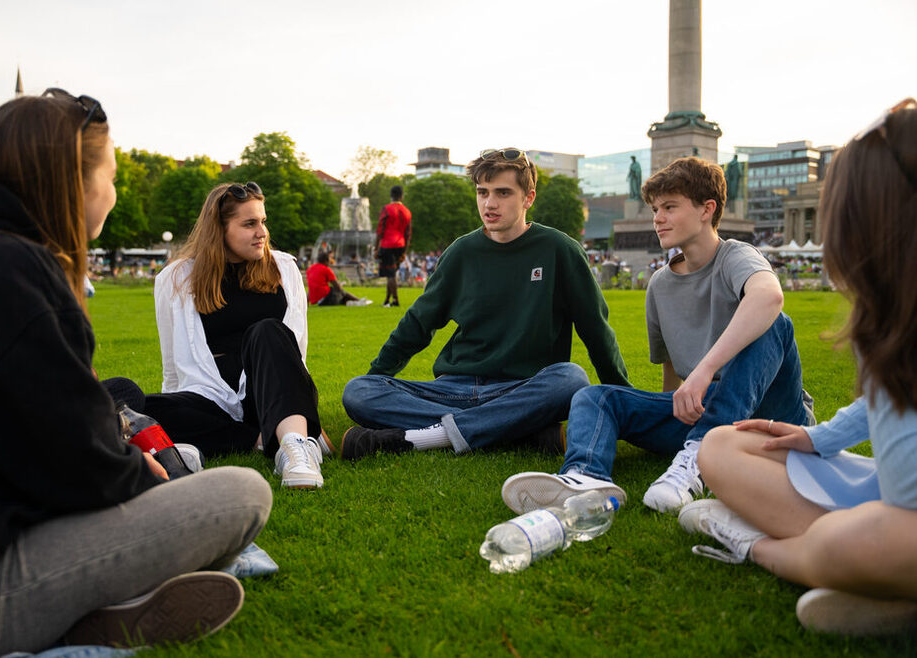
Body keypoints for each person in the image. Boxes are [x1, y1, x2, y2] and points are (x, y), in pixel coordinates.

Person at [0, 90, 270, 655]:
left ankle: (99, 611)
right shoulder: (7, 269)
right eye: (110, 177)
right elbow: (74, 461)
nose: (113, 193)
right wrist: (136, 474)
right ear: (74, 183)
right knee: (243, 495)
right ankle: (68, 624)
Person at [676, 99, 917, 636]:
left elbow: (767, 301)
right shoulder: (891, 311)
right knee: (722, 444)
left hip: (899, 527)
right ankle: (877, 578)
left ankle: (761, 546)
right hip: (886, 501)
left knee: (857, 541)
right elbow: (891, 396)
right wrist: (818, 439)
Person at [500, 156, 813, 515]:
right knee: (595, 397)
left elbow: (769, 296)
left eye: (670, 207)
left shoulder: (735, 257)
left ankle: (698, 457)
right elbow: (671, 378)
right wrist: (674, 411)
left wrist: (704, 370)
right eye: (654, 209)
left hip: (773, 416)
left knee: (775, 321)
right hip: (708, 409)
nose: (658, 218)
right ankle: (585, 480)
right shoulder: (660, 285)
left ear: (706, 210)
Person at [340, 148, 630, 460]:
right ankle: (518, 431)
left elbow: (596, 330)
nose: (490, 203)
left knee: (571, 379)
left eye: (503, 193)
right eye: (483, 192)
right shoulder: (461, 252)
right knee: (359, 392)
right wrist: (377, 377)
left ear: (528, 198)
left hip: (523, 388)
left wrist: (625, 401)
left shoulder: (560, 250)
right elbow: (418, 323)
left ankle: (426, 437)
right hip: (453, 389)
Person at [147, 182, 329, 489]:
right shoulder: (176, 279)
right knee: (139, 408)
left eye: (263, 221)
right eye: (249, 224)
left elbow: (297, 351)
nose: (262, 232)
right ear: (219, 229)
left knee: (267, 331)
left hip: (267, 394)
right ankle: (261, 438)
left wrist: (299, 407)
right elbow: (171, 366)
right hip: (211, 397)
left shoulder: (283, 269)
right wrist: (173, 407)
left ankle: (297, 447)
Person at [376, 184, 411, 307]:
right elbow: (408, 234)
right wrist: (404, 252)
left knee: (390, 275)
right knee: (392, 274)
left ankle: (395, 300)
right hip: (400, 245)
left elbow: (380, 230)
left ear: (391, 195)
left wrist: (376, 248)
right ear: (402, 196)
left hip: (387, 244)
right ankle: (386, 300)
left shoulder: (386, 209)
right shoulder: (407, 211)